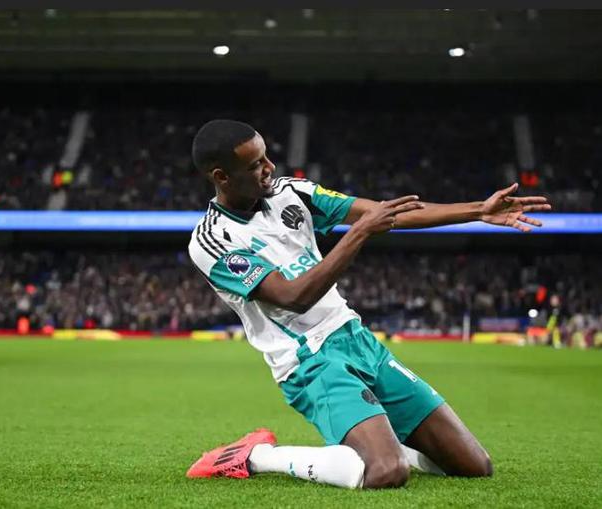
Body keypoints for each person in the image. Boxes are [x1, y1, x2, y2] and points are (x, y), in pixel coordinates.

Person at [186, 119, 551, 489]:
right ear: (222, 177)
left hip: (359, 340)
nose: (270, 167)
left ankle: (382, 442)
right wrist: (359, 232)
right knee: (387, 472)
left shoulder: (291, 191)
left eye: (266, 157)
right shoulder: (212, 240)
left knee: (474, 465)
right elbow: (293, 297)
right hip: (309, 361)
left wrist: (478, 211)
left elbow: (384, 213)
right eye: (255, 165)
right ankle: (257, 456)